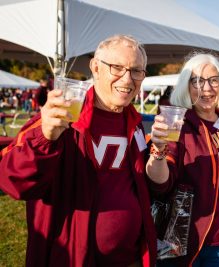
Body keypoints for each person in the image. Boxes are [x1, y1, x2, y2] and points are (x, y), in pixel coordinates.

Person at [0, 34, 157, 267]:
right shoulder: (61, 117)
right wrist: (45, 137)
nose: (127, 78)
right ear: (95, 67)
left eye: (136, 71)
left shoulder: (135, 124)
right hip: (73, 258)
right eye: (117, 68)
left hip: (130, 258)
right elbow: (13, 180)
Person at [146, 53, 219, 267]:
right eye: (197, 81)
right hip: (181, 242)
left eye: (213, 80)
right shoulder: (177, 125)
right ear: (186, 85)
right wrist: (159, 149)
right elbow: (160, 183)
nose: (207, 88)